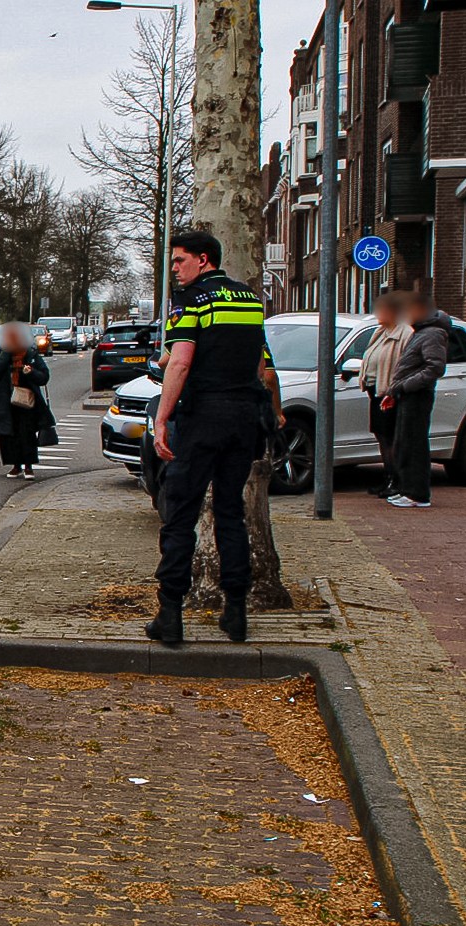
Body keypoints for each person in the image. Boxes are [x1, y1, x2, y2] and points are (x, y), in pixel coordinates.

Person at [146, 229, 279, 647]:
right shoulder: (251, 301)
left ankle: (170, 614)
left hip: (203, 417)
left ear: (204, 260)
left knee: (180, 514)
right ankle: (235, 612)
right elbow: (263, 366)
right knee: (230, 514)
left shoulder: (191, 301)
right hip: (243, 421)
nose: (175, 270)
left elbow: (179, 363)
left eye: (180, 261)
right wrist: (273, 410)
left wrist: (162, 420)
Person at [383, 292, 449, 509]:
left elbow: (435, 367)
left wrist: (405, 385)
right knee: (404, 442)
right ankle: (407, 489)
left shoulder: (432, 334)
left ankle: (417, 493)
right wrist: (395, 391)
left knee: (414, 443)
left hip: (418, 395)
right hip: (408, 394)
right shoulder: (421, 332)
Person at [358, 291, 411, 498]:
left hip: (389, 393)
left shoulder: (404, 334)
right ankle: (388, 477)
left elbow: (404, 365)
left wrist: (394, 390)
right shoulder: (380, 332)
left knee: (391, 437)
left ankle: (396, 480)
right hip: (375, 391)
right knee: (382, 436)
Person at [0, 322, 51, 479]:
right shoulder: (2, 353)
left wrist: (31, 372)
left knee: (26, 433)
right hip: (6, 401)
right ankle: (15, 465)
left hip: (27, 401)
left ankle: (28, 466)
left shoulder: (31, 354)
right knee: (8, 433)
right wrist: (5, 356)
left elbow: (44, 377)